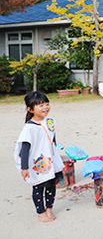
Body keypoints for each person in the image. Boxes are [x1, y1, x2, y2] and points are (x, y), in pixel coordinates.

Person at [14, 91, 64, 222]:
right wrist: (24, 167)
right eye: (40, 105)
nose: (45, 107)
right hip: (37, 162)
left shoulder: (50, 121)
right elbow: (25, 148)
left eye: (47, 104)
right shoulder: (29, 128)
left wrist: (56, 153)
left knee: (51, 186)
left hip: (50, 160)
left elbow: (52, 138)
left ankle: (49, 209)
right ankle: (40, 212)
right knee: (38, 187)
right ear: (30, 109)